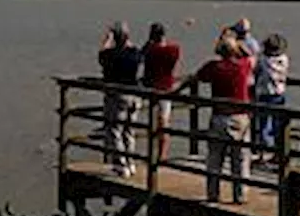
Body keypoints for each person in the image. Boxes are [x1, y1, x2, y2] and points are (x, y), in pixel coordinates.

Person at [171, 32, 252, 204]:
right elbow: (250, 54)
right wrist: (238, 43)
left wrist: (175, 92)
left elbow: (194, 79)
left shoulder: (214, 67)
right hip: (240, 118)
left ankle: (213, 194)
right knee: (240, 159)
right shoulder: (243, 66)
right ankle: (240, 195)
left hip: (219, 117)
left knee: (215, 159)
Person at [97, 22, 143, 178]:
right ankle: (131, 163)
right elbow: (136, 51)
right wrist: (125, 38)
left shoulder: (110, 55)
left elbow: (101, 53)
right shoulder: (134, 54)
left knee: (114, 130)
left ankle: (121, 165)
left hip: (117, 97)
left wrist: (108, 39)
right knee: (129, 131)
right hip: (134, 96)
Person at [141, 22, 182, 162]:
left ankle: (152, 155)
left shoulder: (150, 50)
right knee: (164, 122)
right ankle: (162, 155)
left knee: (152, 123)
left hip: (150, 88)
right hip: (166, 89)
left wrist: (149, 42)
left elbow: (141, 56)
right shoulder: (173, 50)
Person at [253, 33, 290, 163]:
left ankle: (263, 152)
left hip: (264, 94)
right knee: (278, 124)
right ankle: (278, 153)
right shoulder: (284, 59)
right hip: (279, 94)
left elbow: (255, 70)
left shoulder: (263, 60)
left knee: (264, 125)